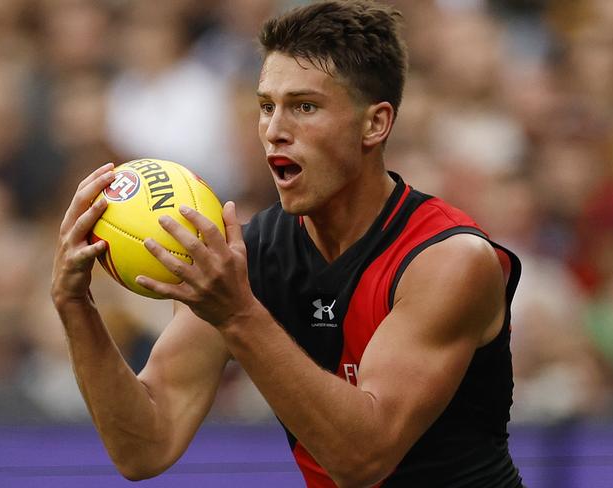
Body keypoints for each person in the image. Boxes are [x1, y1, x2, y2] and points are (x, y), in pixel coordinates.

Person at [51, 1, 524, 486]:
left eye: (304, 106)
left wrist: (238, 315)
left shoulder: (447, 260)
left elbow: (363, 460)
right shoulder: (245, 259)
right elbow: (144, 447)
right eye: (266, 106)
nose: (275, 130)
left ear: (375, 124)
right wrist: (75, 306)